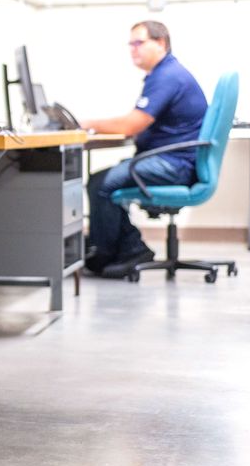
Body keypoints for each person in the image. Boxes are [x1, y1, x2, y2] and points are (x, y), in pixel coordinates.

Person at [81, 21, 208, 278]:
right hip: (172, 160)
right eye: (130, 44)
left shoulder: (167, 76)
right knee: (100, 181)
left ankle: (108, 254)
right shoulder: (164, 74)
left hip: (173, 165)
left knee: (100, 184)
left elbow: (132, 124)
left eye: (139, 43)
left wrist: (88, 124)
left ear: (160, 43)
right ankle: (130, 248)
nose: (133, 49)